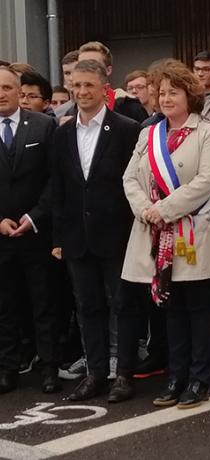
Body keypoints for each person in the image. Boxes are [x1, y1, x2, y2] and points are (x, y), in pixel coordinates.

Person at [119, 60, 210, 408]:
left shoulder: (208, 132)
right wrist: (146, 210)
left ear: (190, 94)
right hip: (155, 233)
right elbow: (130, 179)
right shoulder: (148, 134)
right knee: (171, 307)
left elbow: (208, 179)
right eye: (161, 92)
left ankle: (200, 379)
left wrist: (164, 209)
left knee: (198, 305)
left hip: (194, 231)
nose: (166, 98)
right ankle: (176, 375)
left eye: (174, 91)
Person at [51, 59, 141, 401]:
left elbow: (134, 184)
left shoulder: (126, 128)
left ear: (105, 87)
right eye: (76, 85)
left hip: (117, 235)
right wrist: (58, 238)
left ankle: (125, 374)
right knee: (87, 307)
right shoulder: (61, 133)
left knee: (124, 305)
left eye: (88, 85)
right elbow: (58, 189)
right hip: (77, 237)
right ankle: (95, 373)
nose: (81, 91)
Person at [0, 67, 60, 395]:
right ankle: (8, 368)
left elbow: (55, 178)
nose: (1, 93)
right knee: (5, 304)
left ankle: (49, 367)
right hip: (1, 233)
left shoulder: (43, 125)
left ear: (19, 90)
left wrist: (35, 216)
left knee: (44, 302)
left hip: (36, 231)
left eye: (8, 87)